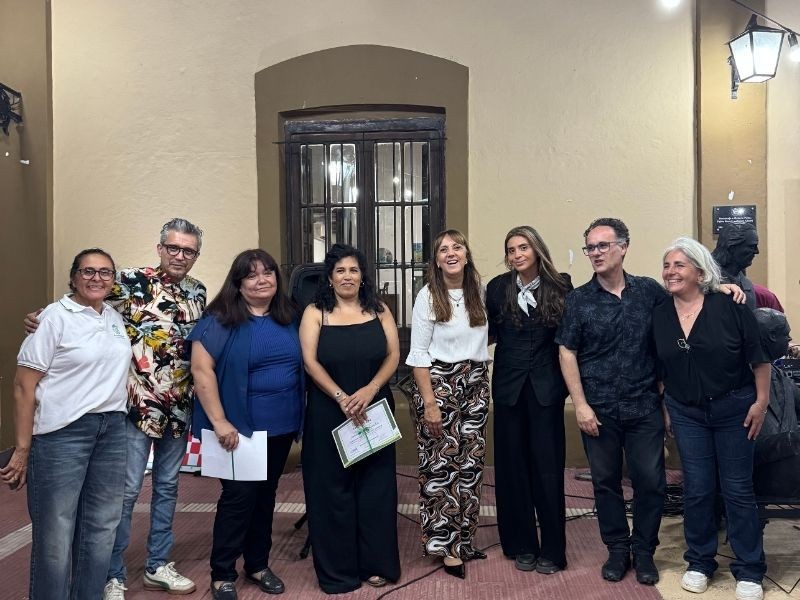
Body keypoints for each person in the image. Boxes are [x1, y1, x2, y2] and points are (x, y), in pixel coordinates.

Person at [23, 219, 205, 599]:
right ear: (160, 248)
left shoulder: (197, 291)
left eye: (188, 250)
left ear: (196, 255)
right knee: (123, 494)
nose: (180, 255)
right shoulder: (128, 281)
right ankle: (113, 574)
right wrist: (42, 317)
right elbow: (86, 296)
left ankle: (157, 564)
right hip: (134, 406)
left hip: (178, 407)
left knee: (168, 487)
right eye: (173, 247)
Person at [1, 249, 132, 600]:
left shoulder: (114, 318)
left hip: (111, 431)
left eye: (105, 272)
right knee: (55, 536)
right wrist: (22, 448)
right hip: (62, 435)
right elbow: (23, 386)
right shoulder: (53, 318)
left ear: (113, 280)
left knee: (101, 528)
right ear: (73, 277)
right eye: (88, 271)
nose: (96, 278)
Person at [652, 237, 770, 600]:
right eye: (667, 265)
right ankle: (700, 562)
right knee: (698, 489)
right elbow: (661, 368)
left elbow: (759, 357)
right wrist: (666, 407)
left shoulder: (730, 304)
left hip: (735, 409)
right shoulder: (660, 313)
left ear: (700, 272)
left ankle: (749, 569)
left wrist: (761, 402)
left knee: (737, 489)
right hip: (686, 413)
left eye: (679, 265)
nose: (670, 272)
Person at [556, 217, 666, 586]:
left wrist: (722, 287)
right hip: (599, 409)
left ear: (623, 247)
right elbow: (567, 352)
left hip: (644, 405)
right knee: (605, 483)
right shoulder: (579, 300)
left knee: (651, 481)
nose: (596, 253)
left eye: (603, 245)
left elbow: (685, 308)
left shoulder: (649, 292)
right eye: (590, 247)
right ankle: (618, 550)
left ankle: (644, 551)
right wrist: (580, 405)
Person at [190, 249, 304, 600]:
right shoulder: (220, 320)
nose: (261, 280)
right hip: (237, 429)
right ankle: (222, 572)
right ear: (238, 283)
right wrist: (220, 421)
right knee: (239, 499)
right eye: (251, 275)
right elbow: (201, 371)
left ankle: (257, 564)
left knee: (266, 496)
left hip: (281, 425)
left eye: (267, 272)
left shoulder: (290, 316)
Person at [299, 243, 401, 594]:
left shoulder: (380, 309)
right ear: (329, 277)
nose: (347, 276)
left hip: (373, 409)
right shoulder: (315, 312)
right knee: (332, 492)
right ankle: (338, 572)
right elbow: (310, 362)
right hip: (330, 410)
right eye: (340, 270)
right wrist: (342, 397)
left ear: (362, 276)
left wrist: (370, 389)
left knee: (376, 490)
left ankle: (375, 564)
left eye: (353, 270)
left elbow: (393, 354)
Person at [486, 225, 572, 574]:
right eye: (511, 249)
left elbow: (570, 338)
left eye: (523, 247)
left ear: (537, 250)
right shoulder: (497, 288)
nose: (517, 254)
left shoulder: (561, 286)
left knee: (547, 469)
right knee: (512, 468)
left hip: (546, 390)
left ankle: (552, 549)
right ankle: (521, 543)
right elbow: (485, 332)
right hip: (508, 389)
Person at [406, 229, 491, 579]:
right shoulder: (427, 295)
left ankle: (464, 541)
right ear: (437, 261)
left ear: (467, 255)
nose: (451, 253)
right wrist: (429, 404)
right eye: (444, 249)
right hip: (439, 385)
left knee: (470, 467)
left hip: (476, 384)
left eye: (457, 247)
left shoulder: (480, 293)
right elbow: (418, 354)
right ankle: (445, 546)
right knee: (441, 468)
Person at [752, 308, 800, 499]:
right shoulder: (739, 381)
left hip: (788, 469)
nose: (790, 339)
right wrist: (793, 439)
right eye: (785, 334)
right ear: (771, 337)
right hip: (760, 475)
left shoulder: (779, 375)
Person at [711, 222, 759, 309]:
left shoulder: (745, 282)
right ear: (732, 248)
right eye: (752, 246)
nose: (756, 251)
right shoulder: (707, 278)